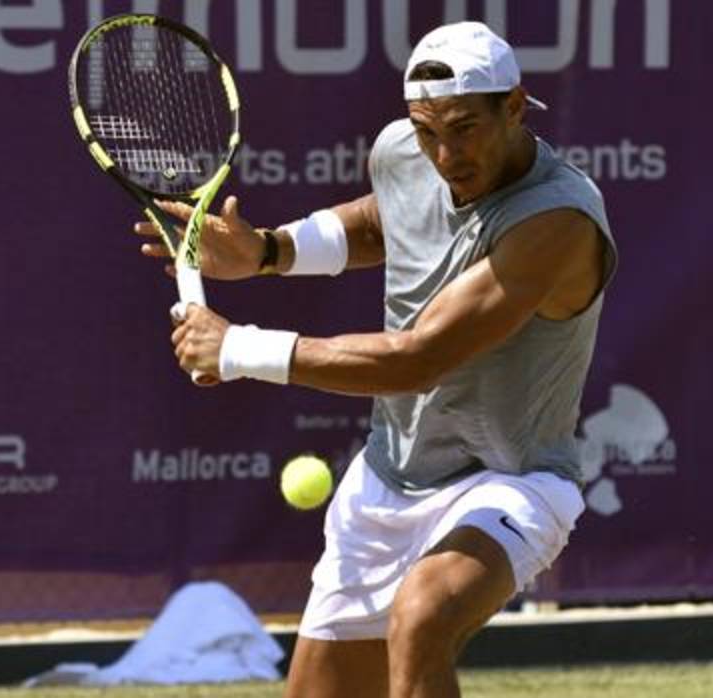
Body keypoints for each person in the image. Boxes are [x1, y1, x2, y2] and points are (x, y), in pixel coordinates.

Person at [139, 21, 617, 698]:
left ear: (513, 107)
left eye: (464, 127)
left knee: (423, 615)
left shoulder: (557, 222)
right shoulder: (406, 152)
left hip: (513, 479)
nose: (445, 153)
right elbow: (382, 217)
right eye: (427, 130)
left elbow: (418, 361)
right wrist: (269, 252)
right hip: (389, 476)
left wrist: (241, 347)